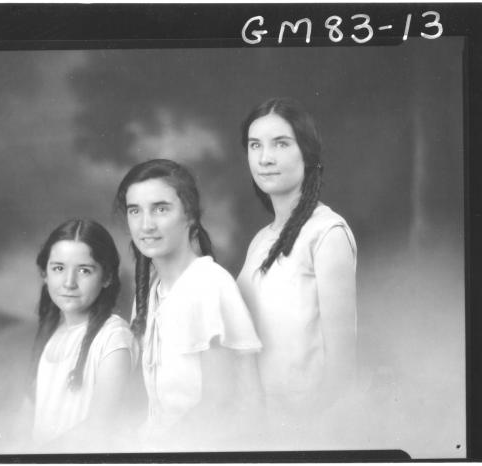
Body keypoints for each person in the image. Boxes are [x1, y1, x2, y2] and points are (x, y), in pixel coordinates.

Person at [114, 158, 263, 449]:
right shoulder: (150, 294)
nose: (146, 224)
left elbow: (219, 404)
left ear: (190, 215)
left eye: (161, 209)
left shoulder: (207, 284)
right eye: (135, 211)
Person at [236, 98, 357, 431]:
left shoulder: (327, 233)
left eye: (281, 144)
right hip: (260, 423)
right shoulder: (260, 240)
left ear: (306, 152)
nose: (265, 158)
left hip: (307, 427)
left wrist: (302, 431)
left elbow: (343, 370)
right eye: (255, 145)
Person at [29, 218, 136, 451]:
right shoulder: (53, 332)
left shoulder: (113, 338)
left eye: (84, 270)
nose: (69, 283)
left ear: (106, 277)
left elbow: (100, 428)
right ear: (44, 273)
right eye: (58, 268)